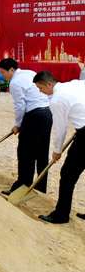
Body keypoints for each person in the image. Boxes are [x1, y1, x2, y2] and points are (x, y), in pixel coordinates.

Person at [33, 72, 85, 224]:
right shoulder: (75, 83)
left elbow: (60, 129)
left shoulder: (57, 100)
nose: (40, 91)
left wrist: (57, 151)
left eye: (41, 88)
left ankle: (61, 215)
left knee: (68, 174)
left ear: (49, 84)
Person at [0, 58, 52, 195]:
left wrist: (18, 125)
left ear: (11, 70)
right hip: (47, 113)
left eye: (3, 72)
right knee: (42, 151)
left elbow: (20, 106)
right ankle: (40, 187)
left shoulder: (15, 83)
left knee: (25, 152)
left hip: (34, 115)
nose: (2, 76)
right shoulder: (29, 72)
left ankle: (23, 185)